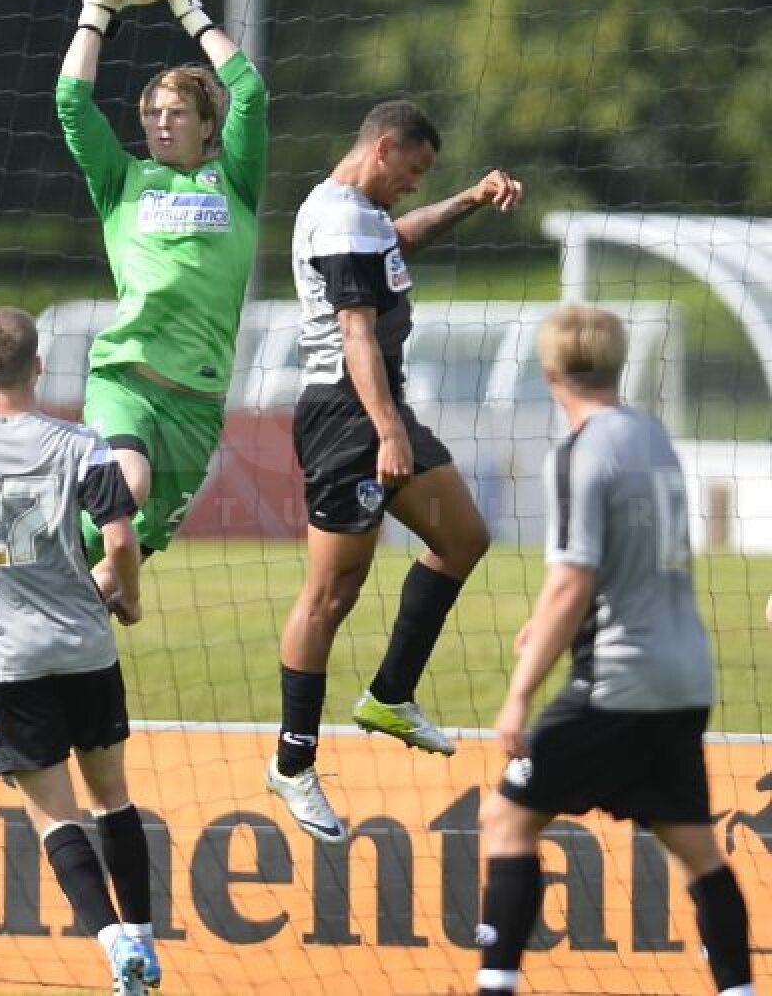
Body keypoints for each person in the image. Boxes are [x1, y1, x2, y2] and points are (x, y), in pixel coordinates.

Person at [475, 305, 754, 996]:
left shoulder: (578, 452)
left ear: (550, 373)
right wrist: (550, 622)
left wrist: (519, 693)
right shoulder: (651, 435)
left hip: (617, 682)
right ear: (618, 364)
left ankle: (494, 986)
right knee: (697, 852)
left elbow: (574, 579)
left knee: (505, 819)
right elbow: (625, 560)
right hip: (683, 678)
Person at [267, 99, 524, 844]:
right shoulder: (342, 219)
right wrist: (385, 430)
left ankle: (389, 695)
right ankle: (292, 762)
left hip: (380, 407)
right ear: (382, 149)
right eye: (412, 171)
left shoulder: (360, 214)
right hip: (348, 417)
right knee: (331, 594)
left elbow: (399, 240)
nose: (413, 186)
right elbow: (355, 333)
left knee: (464, 537)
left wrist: (470, 199)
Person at [0, 307, 159, 996]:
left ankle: (111, 944)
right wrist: (128, 598)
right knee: (112, 799)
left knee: (54, 816)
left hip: (7, 663)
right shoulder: (81, 444)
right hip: (83, 649)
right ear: (38, 367)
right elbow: (120, 539)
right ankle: (142, 939)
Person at [57, 0, 268, 597]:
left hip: (198, 402)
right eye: (152, 113)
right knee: (130, 486)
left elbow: (250, 93)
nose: (161, 123)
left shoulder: (234, 180)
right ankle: (37, 567)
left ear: (208, 126)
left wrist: (189, 9)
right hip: (127, 376)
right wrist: (96, 8)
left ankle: (51, 591)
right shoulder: (122, 179)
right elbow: (71, 103)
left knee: (116, 566)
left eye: (177, 113)